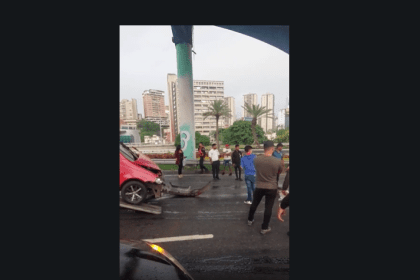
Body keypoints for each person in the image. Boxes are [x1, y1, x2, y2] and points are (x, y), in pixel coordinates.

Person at [247, 140, 283, 235]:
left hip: (259, 185)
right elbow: (279, 171)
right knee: (268, 208)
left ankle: (250, 219)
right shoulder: (277, 161)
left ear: (264, 148)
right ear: (272, 149)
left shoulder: (256, 159)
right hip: (271, 187)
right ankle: (264, 227)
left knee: (254, 203)